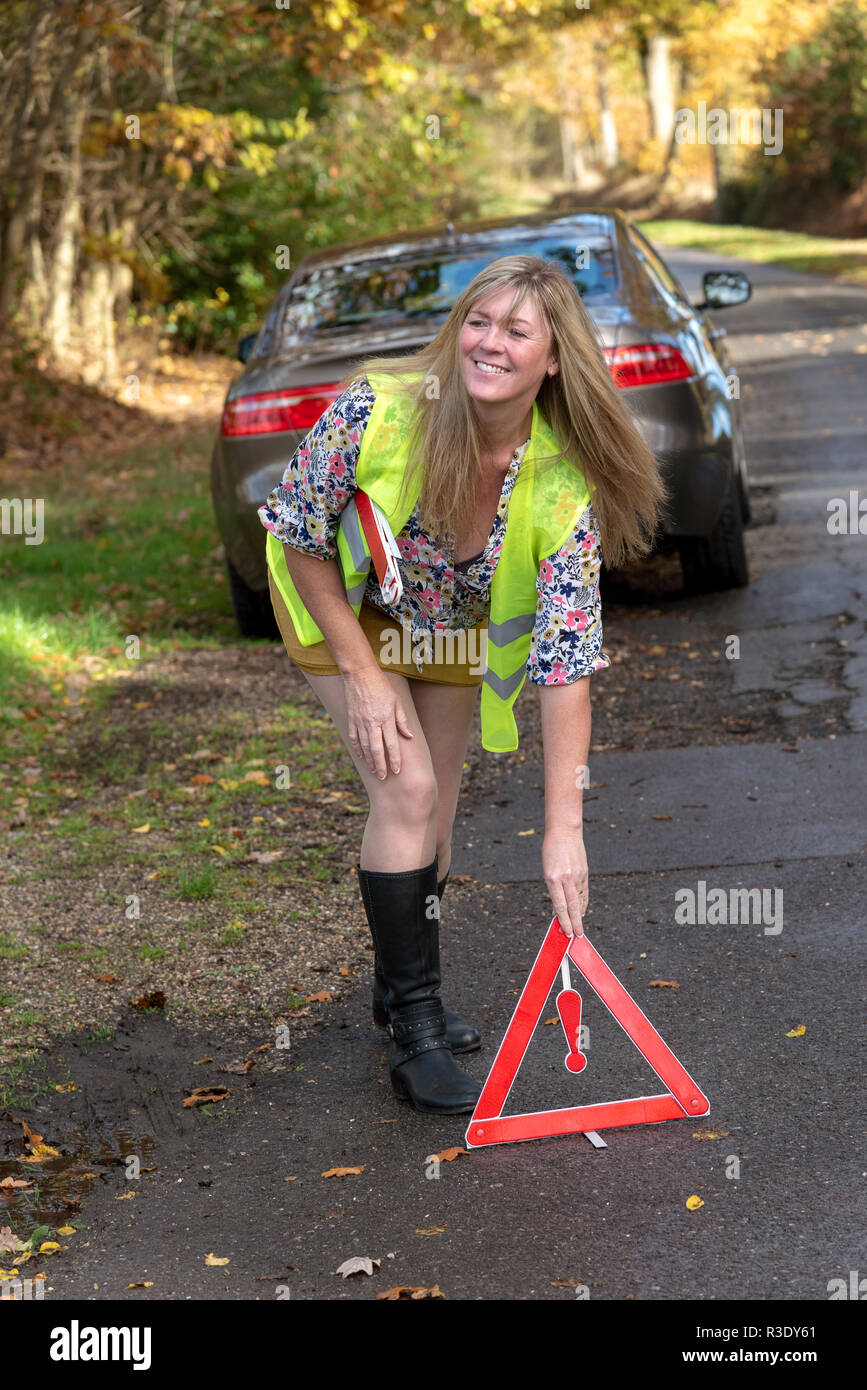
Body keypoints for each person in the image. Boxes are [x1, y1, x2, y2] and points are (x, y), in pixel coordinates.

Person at [258, 255, 667, 1117]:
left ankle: (398, 985)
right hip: (338, 599)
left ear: (552, 359)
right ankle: (414, 1028)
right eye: (478, 322)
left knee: (435, 818)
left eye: (516, 331)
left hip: (442, 623)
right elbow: (297, 537)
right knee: (403, 790)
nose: (488, 342)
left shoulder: (560, 485)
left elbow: (565, 664)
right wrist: (365, 678)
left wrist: (562, 834)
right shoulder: (381, 410)